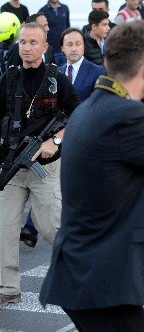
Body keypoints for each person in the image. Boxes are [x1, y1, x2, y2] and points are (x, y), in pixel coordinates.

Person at [39, 21, 144, 330]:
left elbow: (135, 158)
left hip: (87, 273)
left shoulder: (94, 106)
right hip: (97, 280)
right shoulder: (125, 115)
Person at [0, 22, 78, 308]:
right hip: (12, 167)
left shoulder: (57, 79)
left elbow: (78, 116)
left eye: (33, 42)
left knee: (50, 229)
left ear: (45, 47)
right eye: (23, 42)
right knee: (5, 228)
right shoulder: (8, 78)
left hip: (45, 168)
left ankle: (79, 275)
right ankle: (9, 288)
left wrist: (54, 142)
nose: (27, 48)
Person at [60, 28, 104, 102]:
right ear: (62, 48)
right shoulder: (58, 71)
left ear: (84, 46)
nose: (74, 49)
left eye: (78, 44)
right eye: (69, 44)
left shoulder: (97, 72)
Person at [39, 0, 70, 65]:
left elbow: (68, 28)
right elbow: (40, 32)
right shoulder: (43, 11)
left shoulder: (65, 8)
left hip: (64, 52)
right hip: (50, 52)